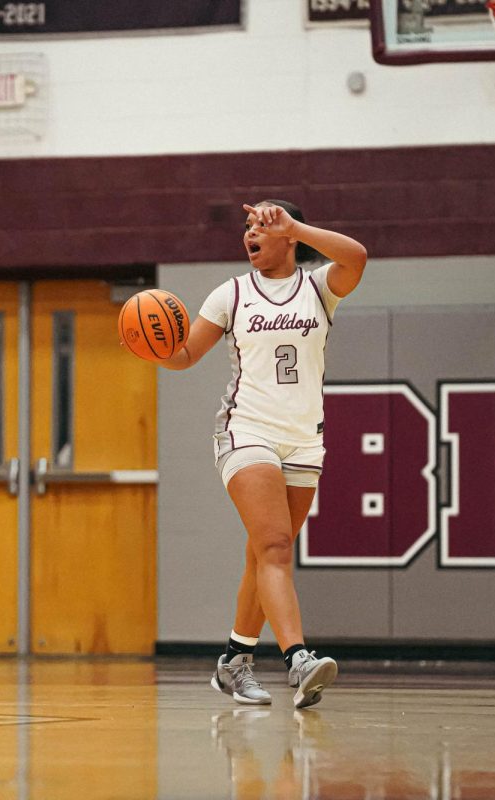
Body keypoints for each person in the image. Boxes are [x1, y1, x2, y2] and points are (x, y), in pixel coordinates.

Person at [162, 200, 367, 709]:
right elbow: (185, 355)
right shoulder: (231, 293)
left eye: (262, 226)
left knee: (264, 553)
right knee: (275, 546)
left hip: (303, 439)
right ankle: (298, 658)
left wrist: (295, 223)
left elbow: (357, 257)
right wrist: (153, 346)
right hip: (246, 431)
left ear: (289, 237)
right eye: (246, 227)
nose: (250, 233)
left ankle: (234, 660)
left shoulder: (319, 289)